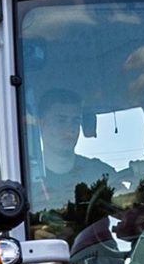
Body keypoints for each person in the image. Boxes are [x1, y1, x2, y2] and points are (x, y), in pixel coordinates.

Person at [26, 88, 118, 238]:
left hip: (102, 256)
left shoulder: (100, 172)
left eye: (75, 121)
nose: (70, 129)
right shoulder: (24, 177)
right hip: (46, 258)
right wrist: (32, 234)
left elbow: (125, 205)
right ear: (42, 124)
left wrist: (141, 176)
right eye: (61, 120)